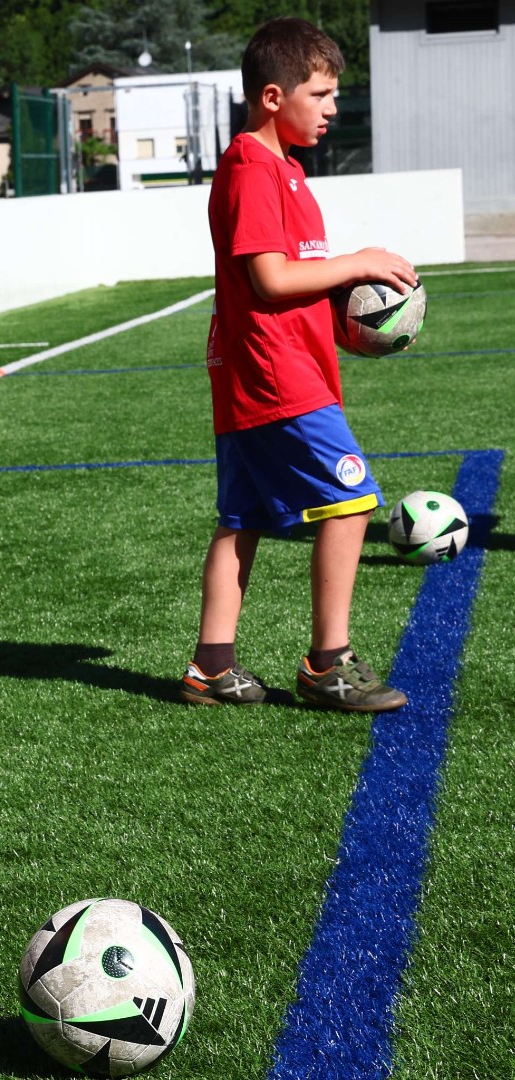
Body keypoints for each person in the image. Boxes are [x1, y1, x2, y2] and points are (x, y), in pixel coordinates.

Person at [180, 17, 417, 712]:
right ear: (276, 97)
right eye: (322, 93)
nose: (334, 107)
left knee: (242, 518)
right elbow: (273, 280)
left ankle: (210, 666)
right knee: (350, 504)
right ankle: (327, 663)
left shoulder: (284, 170)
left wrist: (347, 319)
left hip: (265, 370)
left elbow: (298, 284)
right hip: (277, 377)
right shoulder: (254, 170)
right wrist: (363, 261)